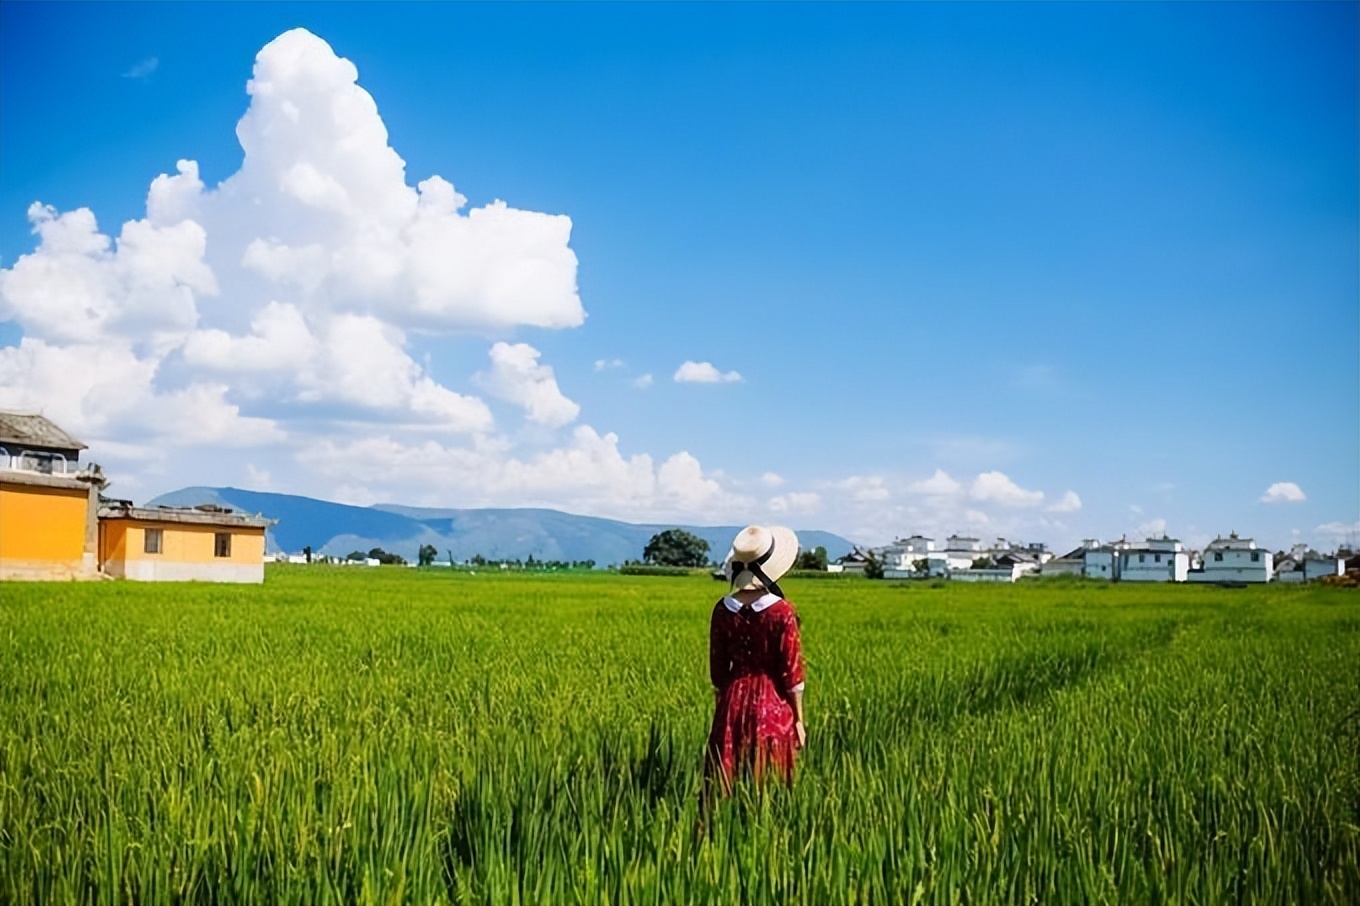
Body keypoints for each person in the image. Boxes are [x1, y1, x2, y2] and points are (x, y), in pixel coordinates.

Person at [704, 524, 806, 796]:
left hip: (731, 702)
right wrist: (798, 719)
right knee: (769, 789)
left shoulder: (722, 610)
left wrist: (723, 706)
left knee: (725, 783)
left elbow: (717, 671)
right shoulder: (782, 612)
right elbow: (792, 673)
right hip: (773, 706)